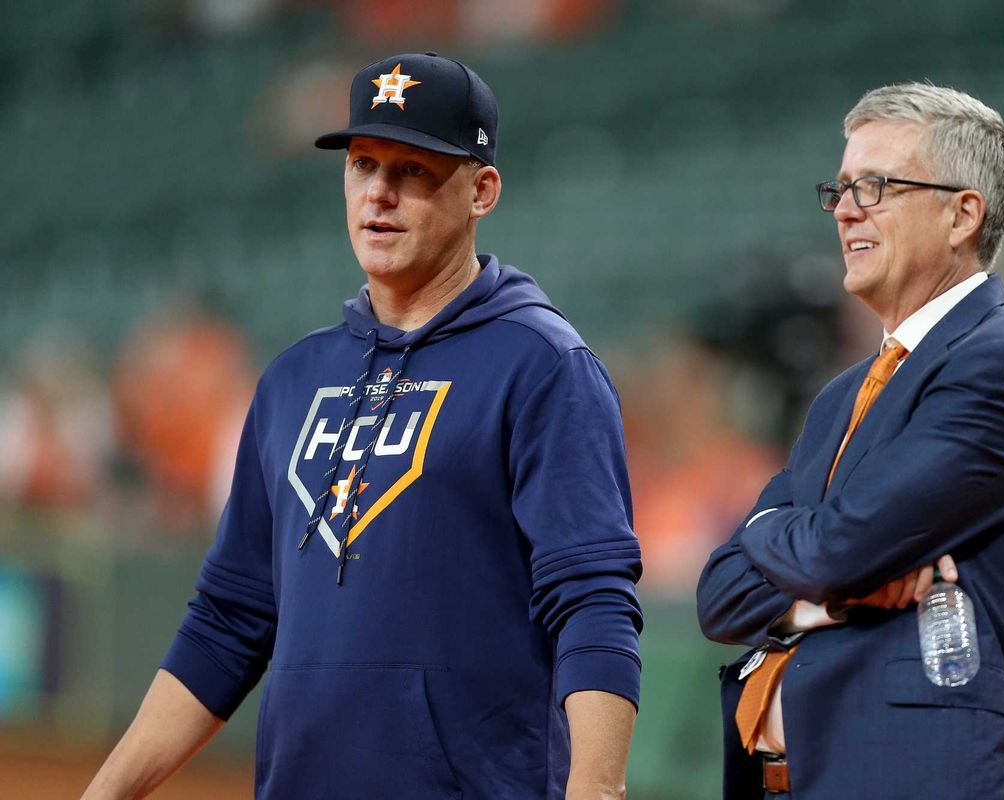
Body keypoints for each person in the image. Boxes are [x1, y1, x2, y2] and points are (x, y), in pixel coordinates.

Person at [83, 52, 642, 800]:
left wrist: (596, 791)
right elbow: (228, 619)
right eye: (363, 165)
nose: (379, 192)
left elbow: (593, 601)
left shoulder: (541, 366)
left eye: (413, 169)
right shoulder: (293, 380)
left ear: (481, 191)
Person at [696, 82, 1004, 799]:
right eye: (841, 189)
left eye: (875, 187)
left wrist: (769, 530)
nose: (845, 210)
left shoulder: (1001, 366)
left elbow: (835, 551)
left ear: (963, 214)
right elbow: (719, 595)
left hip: (908, 774)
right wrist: (831, 594)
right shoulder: (842, 395)